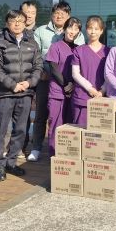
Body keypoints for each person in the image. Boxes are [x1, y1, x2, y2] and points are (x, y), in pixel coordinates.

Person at [26, 1, 85, 162]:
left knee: (65, 115)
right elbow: (34, 55)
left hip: (68, 82)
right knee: (42, 115)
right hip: (45, 79)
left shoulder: (75, 32)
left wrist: (72, 82)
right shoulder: (41, 31)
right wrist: (41, 72)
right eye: (56, 13)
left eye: (63, 14)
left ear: (68, 16)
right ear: (52, 15)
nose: (59, 16)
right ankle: (36, 148)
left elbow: (80, 55)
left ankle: (64, 150)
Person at [0, 10, 43, 182]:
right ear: (7, 24)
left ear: (25, 23)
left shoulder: (32, 43)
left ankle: (11, 163)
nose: (17, 23)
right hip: (6, 93)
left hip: (25, 93)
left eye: (20, 20)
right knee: (1, 130)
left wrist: (29, 82)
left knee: (20, 129)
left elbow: (38, 66)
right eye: (13, 21)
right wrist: (12, 85)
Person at [45, 17, 81, 156]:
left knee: (69, 125)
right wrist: (66, 84)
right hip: (58, 92)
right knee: (56, 124)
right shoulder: (56, 46)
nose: (72, 31)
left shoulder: (79, 49)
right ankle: (54, 155)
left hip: (73, 93)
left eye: (76, 29)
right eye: (70, 27)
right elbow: (53, 68)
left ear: (79, 32)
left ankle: (66, 155)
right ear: (65, 29)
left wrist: (72, 85)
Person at [71, 15, 110, 126]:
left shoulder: (108, 51)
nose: (93, 32)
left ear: (101, 31)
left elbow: (111, 74)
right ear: (86, 30)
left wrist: (102, 91)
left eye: (96, 29)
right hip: (82, 97)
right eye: (90, 28)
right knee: (80, 129)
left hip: (102, 98)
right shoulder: (78, 50)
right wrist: (90, 89)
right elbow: (75, 74)